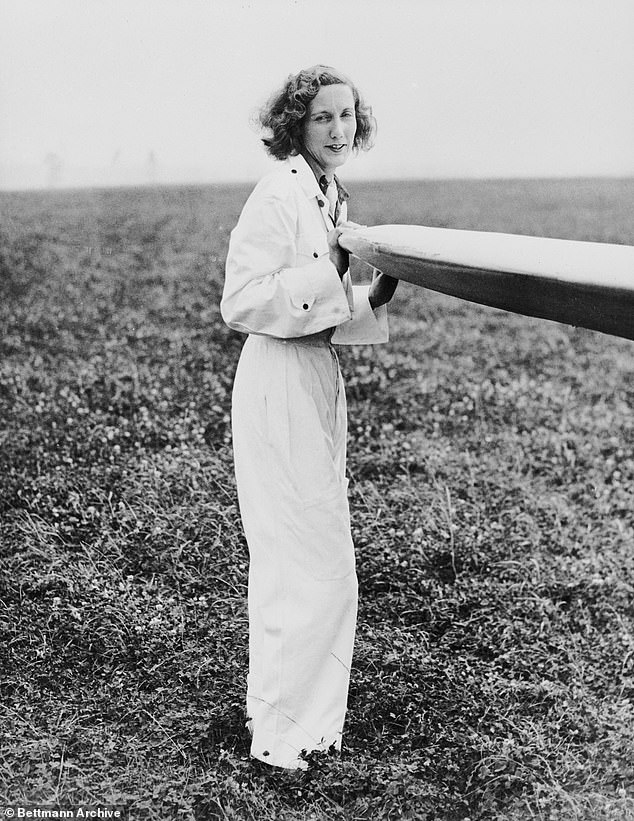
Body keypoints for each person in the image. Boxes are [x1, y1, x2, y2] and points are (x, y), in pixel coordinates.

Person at [221, 64, 398, 770]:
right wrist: (332, 277)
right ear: (297, 123)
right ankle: (284, 739)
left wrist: (372, 292)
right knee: (303, 563)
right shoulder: (278, 193)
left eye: (346, 116)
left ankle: (302, 727)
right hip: (276, 380)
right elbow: (241, 300)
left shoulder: (329, 195)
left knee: (313, 559)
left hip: (314, 378)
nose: (337, 130)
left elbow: (330, 315)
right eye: (322, 117)